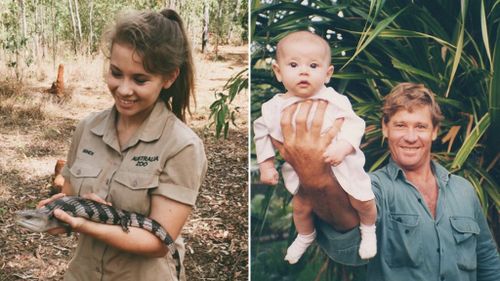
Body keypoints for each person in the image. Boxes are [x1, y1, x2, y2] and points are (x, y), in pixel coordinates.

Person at [36, 9, 207, 281]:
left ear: (169, 77)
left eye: (140, 79)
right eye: (116, 73)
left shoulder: (182, 145)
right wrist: (56, 217)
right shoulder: (88, 128)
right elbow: (69, 199)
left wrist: (86, 223)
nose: (124, 89)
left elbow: (158, 242)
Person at [273, 82, 500, 280]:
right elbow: (348, 237)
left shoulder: (464, 190)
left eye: (420, 126)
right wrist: (315, 178)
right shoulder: (370, 188)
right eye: (400, 125)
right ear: (385, 128)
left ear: (434, 132)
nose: (411, 137)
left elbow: (488, 260)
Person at [253, 31, 377, 264]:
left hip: (343, 168)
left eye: (313, 65)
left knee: (363, 200)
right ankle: (304, 236)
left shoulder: (334, 100)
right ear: (278, 72)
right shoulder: (272, 108)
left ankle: (368, 231)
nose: (303, 71)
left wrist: (343, 146)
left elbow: (355, 123)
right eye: (293, 64)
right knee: (300, 207)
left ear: (327, 73)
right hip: (300, 173)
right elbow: (261, 130)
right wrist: (266, 163)